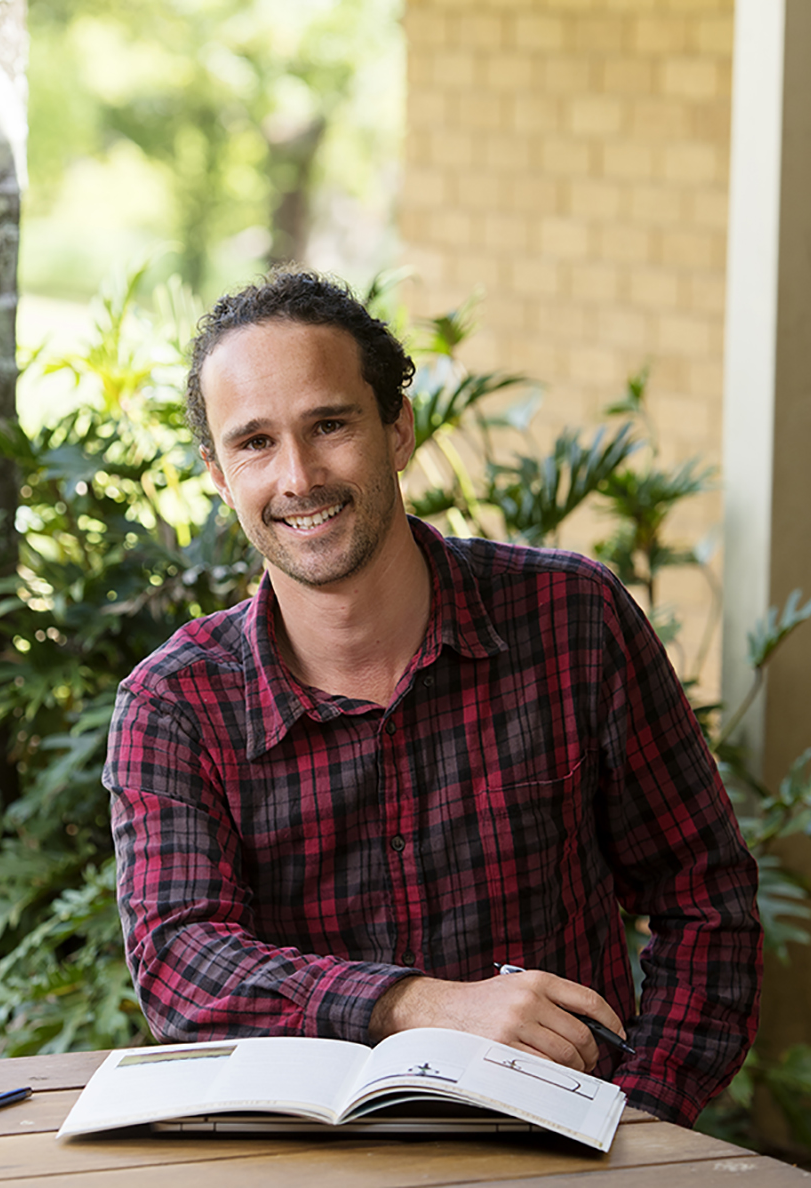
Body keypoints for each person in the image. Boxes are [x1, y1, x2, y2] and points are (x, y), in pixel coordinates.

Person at [103, 269, 761, 1125]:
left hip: (560, 1140)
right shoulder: (176, 704)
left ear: (397, 427)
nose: (298, 476)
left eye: (329, 424)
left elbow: (703, 898)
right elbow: (180, 963)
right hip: (308, 1163)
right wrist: (420, 1004)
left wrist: (636, 1117)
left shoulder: (572, 622)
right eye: (254, 442)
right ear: (219, 475)